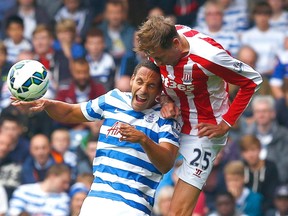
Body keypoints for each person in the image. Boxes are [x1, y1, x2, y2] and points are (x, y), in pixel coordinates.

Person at [11, 60, 181, 216]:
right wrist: (47, 104)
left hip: (133, 206)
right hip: (95, 202)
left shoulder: (165, 117)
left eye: (151, 86)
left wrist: (143, 139)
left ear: (160, 90)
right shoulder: (113, 99)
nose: (143, 90)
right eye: (140, 82)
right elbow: (71, 112)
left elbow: (166, 164)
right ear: (132, 80)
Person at [135, 15, 262, 215]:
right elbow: (155, 74)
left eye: (159, 58)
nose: (156, 62)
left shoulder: (210, 57)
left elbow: (252, 81)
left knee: (177, 212)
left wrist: (226, 123)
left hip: (204, 132)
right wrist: (165, 99)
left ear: (176, 44)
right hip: (172, 120)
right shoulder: (162, 39)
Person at [239, 134, 279, 212]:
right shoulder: (241, 168)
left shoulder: (270, 167)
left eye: (253, 150)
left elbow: (272, 194)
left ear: (260, 149)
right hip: (244, 209)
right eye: (246, 151)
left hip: (266, 209)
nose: (250, 155)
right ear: (242, 154)